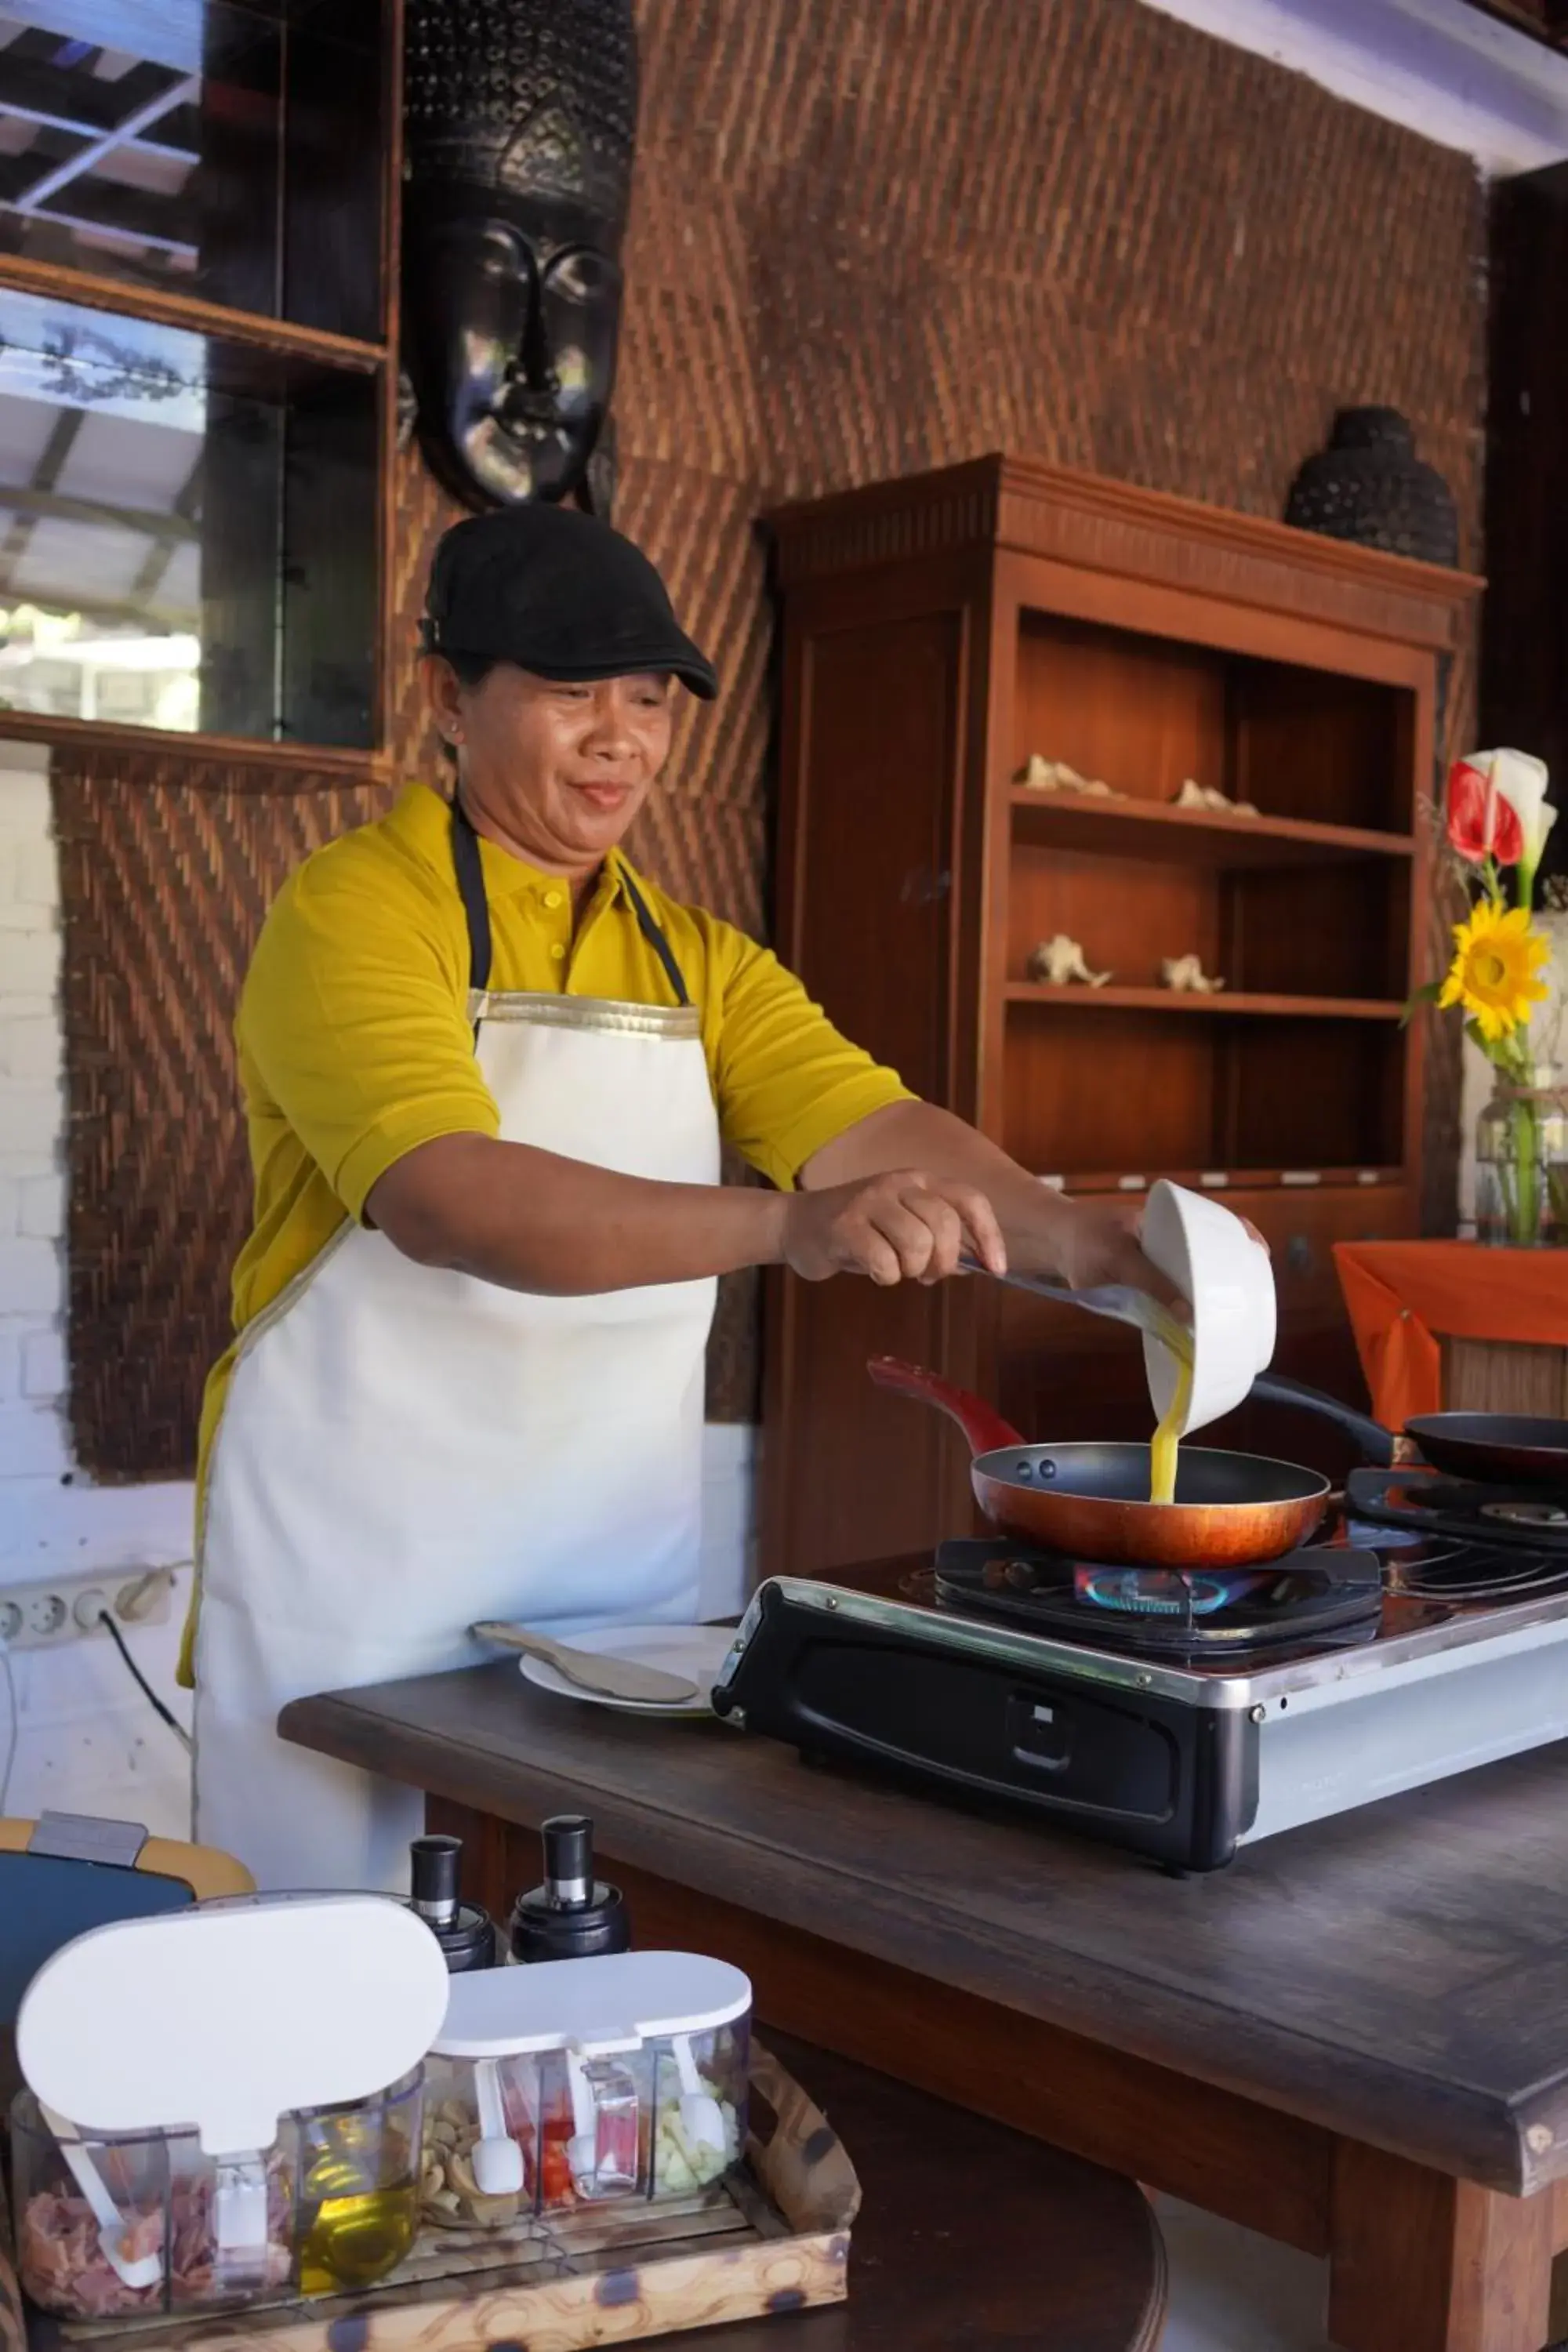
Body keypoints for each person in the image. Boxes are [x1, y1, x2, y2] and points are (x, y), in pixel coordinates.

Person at [183, 501, 1174, 1892]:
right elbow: (448, 1197)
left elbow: (868, 1124)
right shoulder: (356, 911)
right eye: (571, 691)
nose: (622, 739)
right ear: (448, 699)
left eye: (649, 699)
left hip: (610, 1578)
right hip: (359, 1581)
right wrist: (787, 1226)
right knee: (342, 1976)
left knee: (579, 1974)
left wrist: (1085, 1240)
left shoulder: (700, 961)